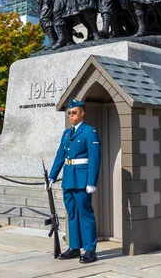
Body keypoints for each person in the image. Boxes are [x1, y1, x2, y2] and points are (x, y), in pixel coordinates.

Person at [47, 99, 101, 263]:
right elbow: (60, 156)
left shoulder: (89, 132)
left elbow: (95, 158)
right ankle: (75, 247)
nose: (71, 115)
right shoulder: (66, 133)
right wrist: (52, 176)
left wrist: (92, 182)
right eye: (69, 113)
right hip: (69, 178)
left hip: (82, 179)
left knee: (85, 214)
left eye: (74, 112)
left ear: (82, 113)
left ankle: (90, 250)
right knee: (72, 214)